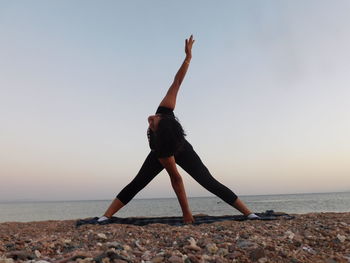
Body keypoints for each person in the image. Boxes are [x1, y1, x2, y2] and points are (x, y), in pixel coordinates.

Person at [97, 35, 259, 224]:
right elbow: (177, 82)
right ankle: (106, 215)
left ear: (158, 133)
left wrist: (187, 214)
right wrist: (188, 58)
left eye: (153, 123)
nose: (151, 118)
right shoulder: (165, 110)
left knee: (208, 181)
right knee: (138, 182)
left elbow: (176, 180)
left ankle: (249, 213)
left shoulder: (164, 148)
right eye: (155, 118)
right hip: (163, 147)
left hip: (179, 148)